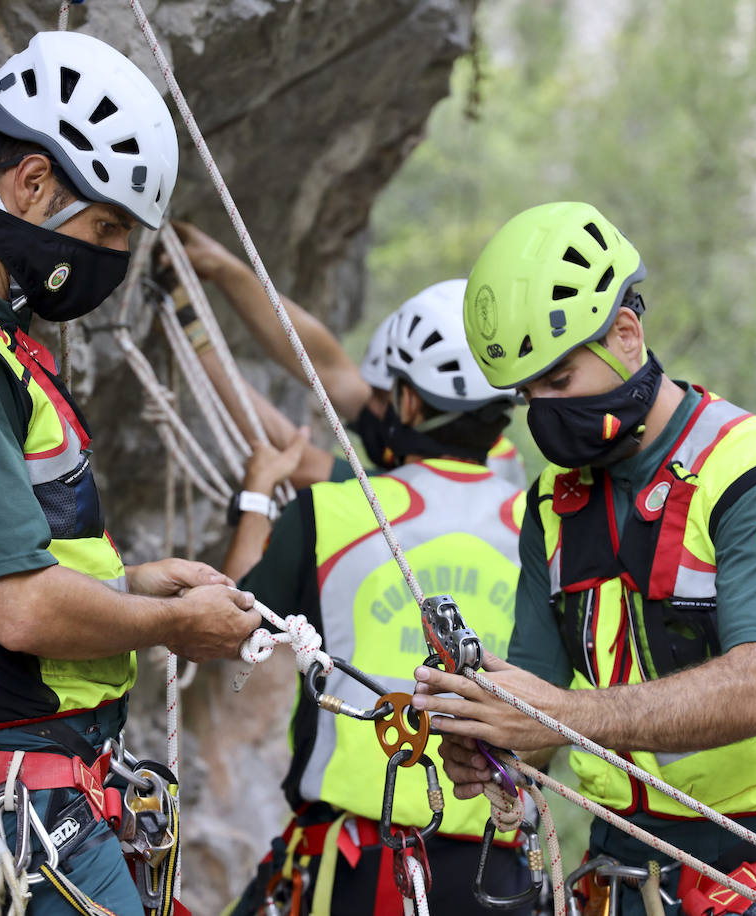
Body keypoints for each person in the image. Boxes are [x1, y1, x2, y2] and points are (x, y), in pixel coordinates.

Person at [0, 31, 262, 915]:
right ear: (32, 182)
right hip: (10, 790)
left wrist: (134, 580)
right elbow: (18, 606)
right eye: (104, 227)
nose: (109, 256)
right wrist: (172, 625)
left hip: (28, 780)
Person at [411, 202, 756, 915]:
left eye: (559, 381)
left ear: (626, 337)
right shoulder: (553, 506)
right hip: (619, 878)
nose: (543, 414)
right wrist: (491, 739)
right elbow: (536, 702)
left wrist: (560, 715)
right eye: (526, 396)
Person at [221, 282, 535, 915]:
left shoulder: (335, 510)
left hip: (361, 870)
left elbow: (231, 626)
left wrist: (257, 497)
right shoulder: (545, 525)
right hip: (496, 873)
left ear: (411, 403)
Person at [171, 222, 528, 489]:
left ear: (413, 404)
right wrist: (221, 266)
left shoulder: (430, 483)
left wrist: (194, 337)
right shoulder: (465, 428)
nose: (369, 403)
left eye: (383, 395)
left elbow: (293, 459)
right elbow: (325, 366)